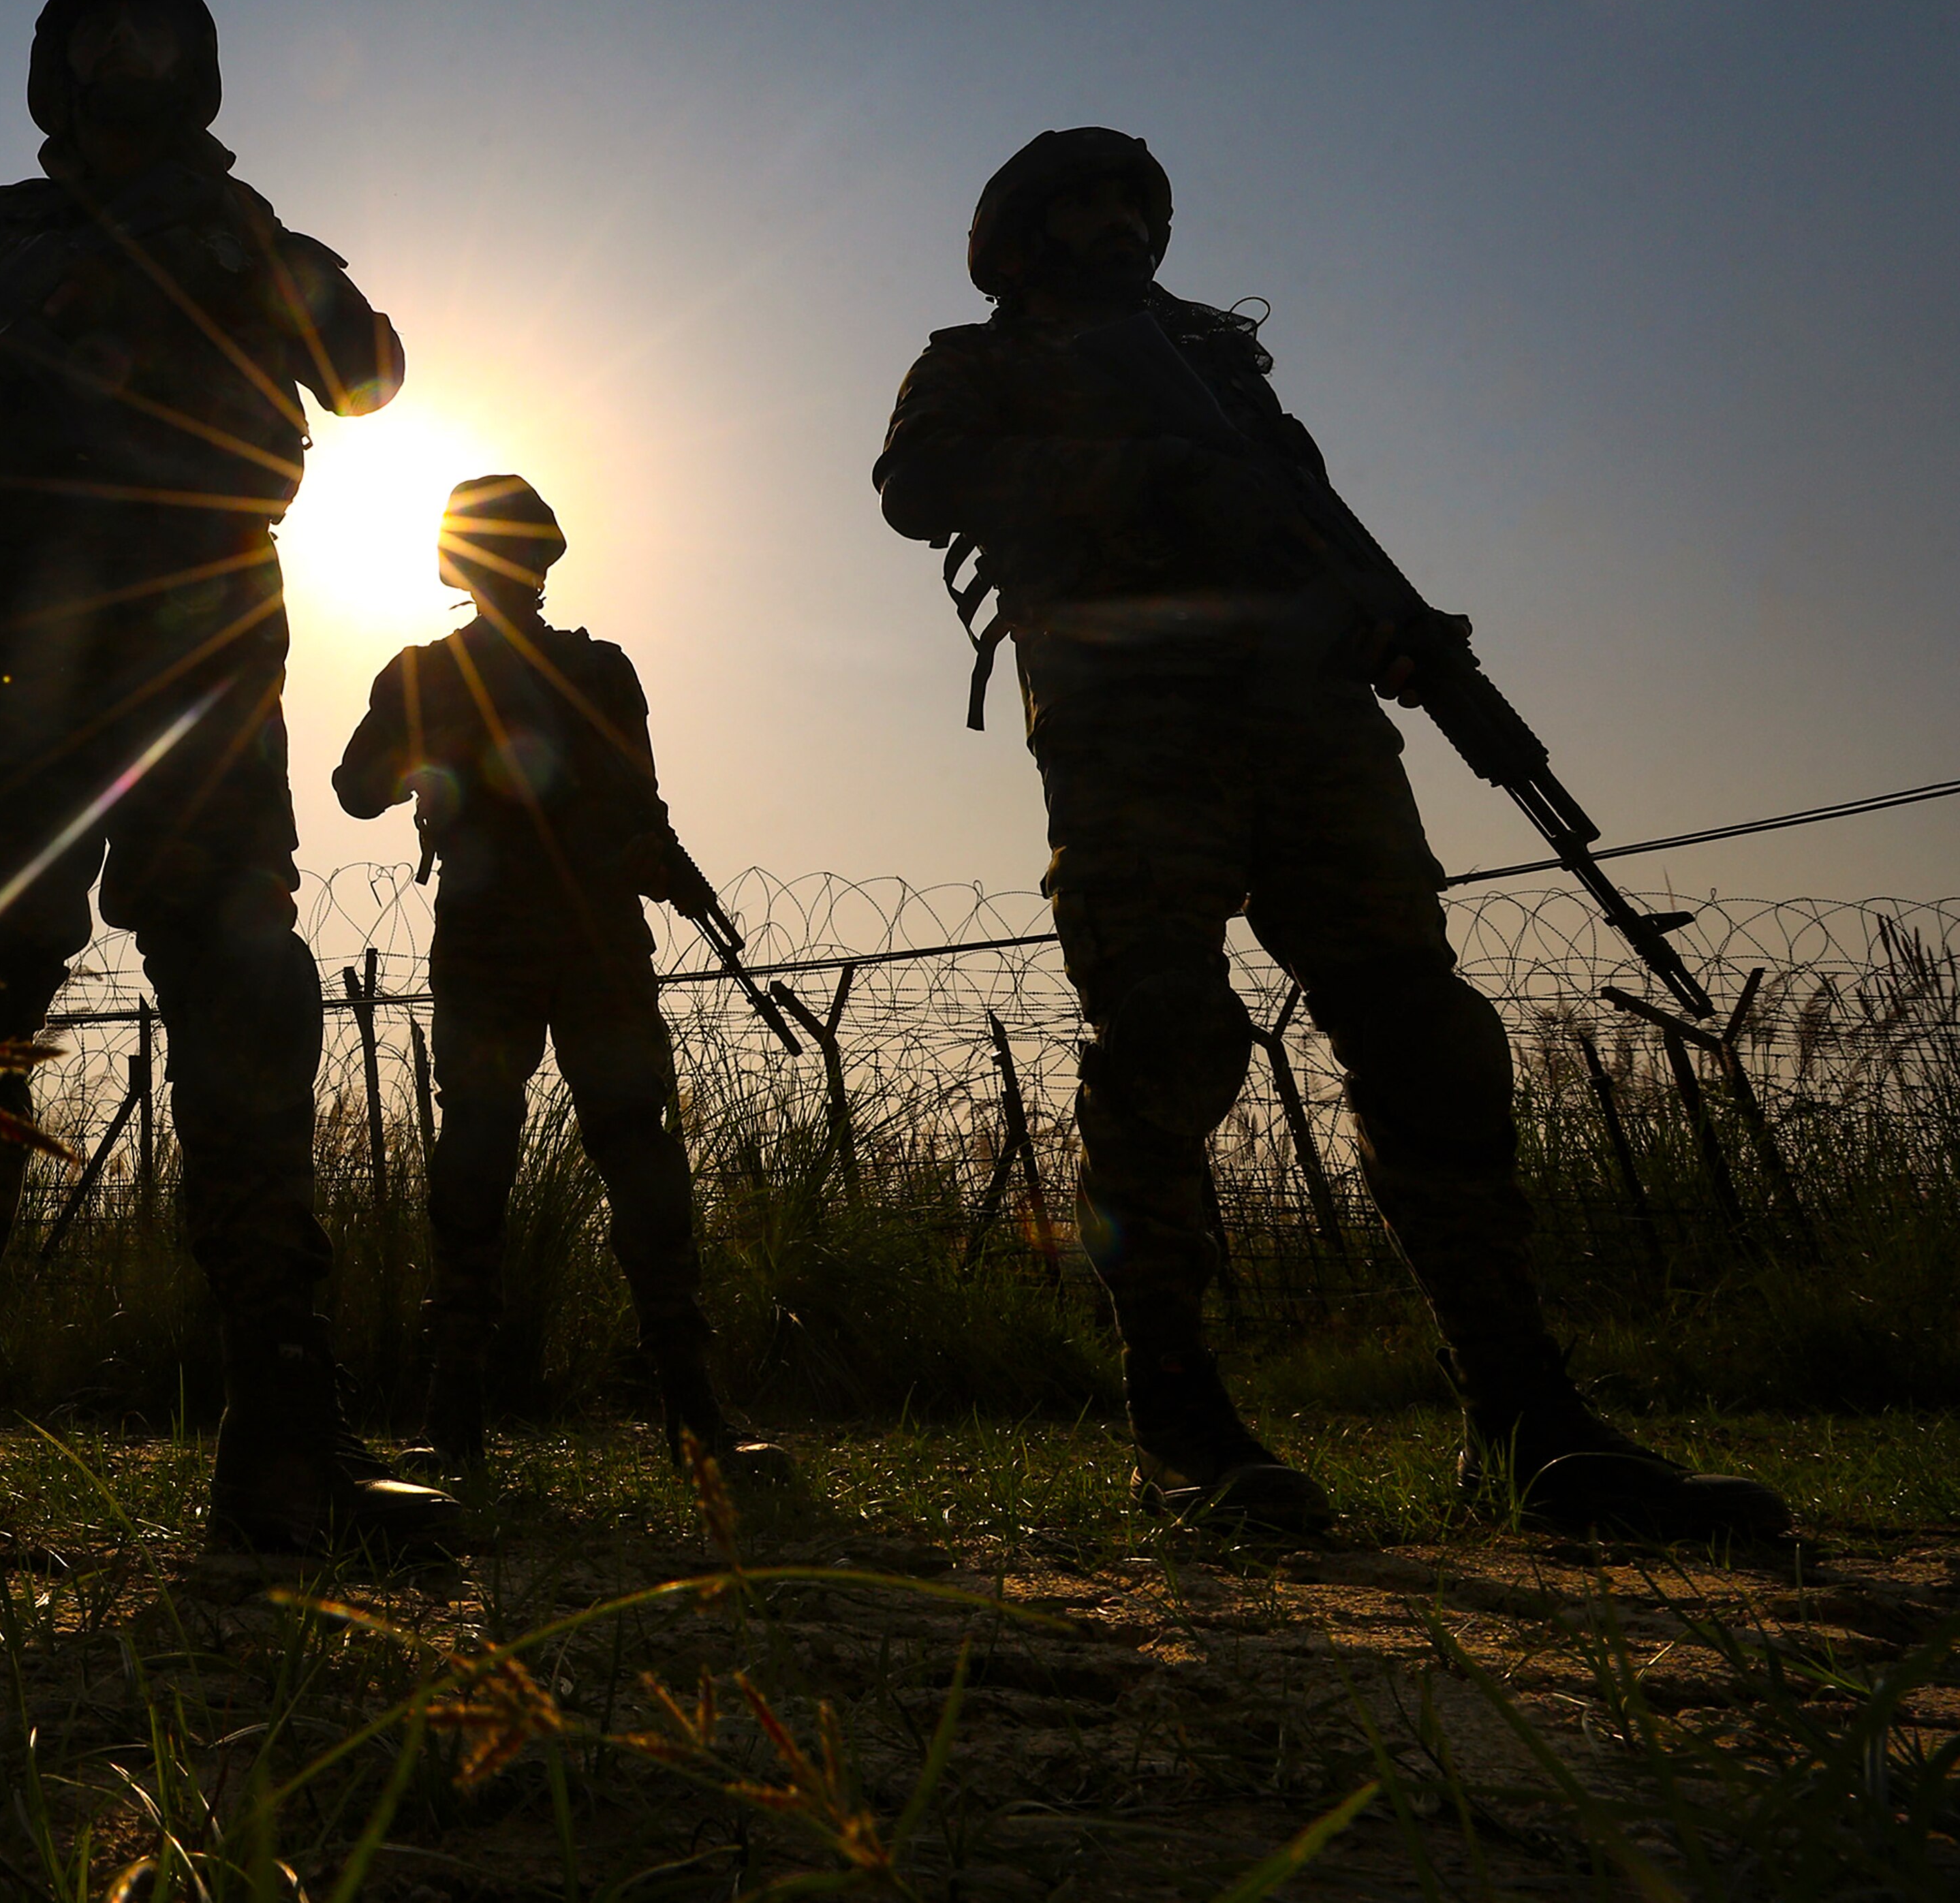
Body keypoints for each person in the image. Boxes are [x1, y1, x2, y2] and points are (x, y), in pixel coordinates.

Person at [871, 129, 1787, 1539]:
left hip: (1308, 717)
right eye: (1090, 203)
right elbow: (919, 491)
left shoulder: (1224, 374)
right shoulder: (984, 363)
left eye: (1140, 202)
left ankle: (1525, 1417)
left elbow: (1310, 522)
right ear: (1025, 234)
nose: (1123, 223)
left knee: (1424, 1033)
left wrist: (1393, 627)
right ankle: (1177, 1421)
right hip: (1132, 719)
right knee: (1170, 1034)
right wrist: (1148, 480)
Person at [0, 0, 452, 1560]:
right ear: (55, 61)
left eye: (157, 26)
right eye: (98, 28)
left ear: (199, 60)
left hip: (198, 610)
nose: (129, 50)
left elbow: (363, 379)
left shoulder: (237, 226)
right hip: (19, 617)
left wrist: (248, 250)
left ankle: (286, 1438)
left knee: (241, 972)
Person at [332, 477, 785, 1487]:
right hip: (549, 937)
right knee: (574, 1151)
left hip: (557, 937)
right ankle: (663, 1417)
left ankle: (608, 1419)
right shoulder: (510, 672)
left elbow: (635, 804)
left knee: (542, 1149)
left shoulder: (490, 672)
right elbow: (364, 788)